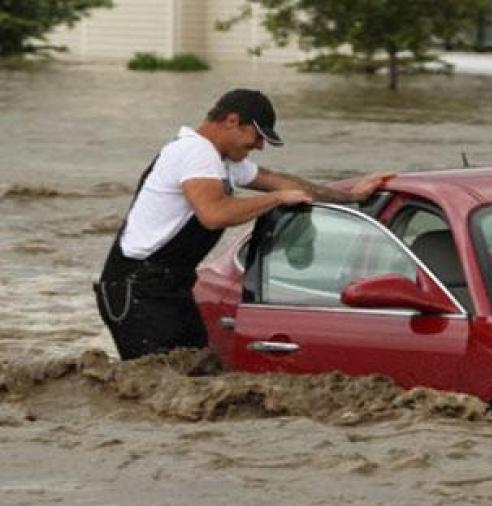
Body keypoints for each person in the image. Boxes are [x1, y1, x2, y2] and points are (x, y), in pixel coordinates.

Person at [94, 88, 394, 360]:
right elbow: (214, 215)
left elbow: (280, 180)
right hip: (136, 289)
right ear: (232, 121)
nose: (260, 146)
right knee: (162, 383)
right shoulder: (194, 152)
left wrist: (349, 196)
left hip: (168, 286)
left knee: (195, 372)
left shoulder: (221, 160)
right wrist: (276, 200)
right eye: (258, 136)